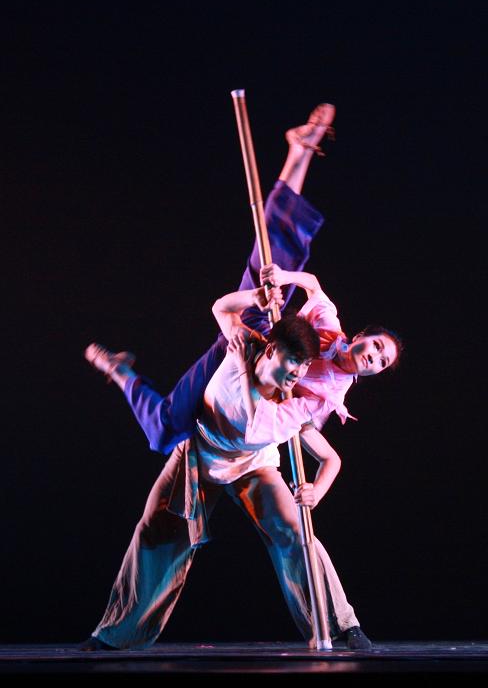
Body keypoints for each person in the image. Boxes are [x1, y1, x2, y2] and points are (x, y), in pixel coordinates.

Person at [81, 104, 401, 651]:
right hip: (210, 437)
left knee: (292, 531)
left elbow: (306, 441)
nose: (369, 357)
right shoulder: (261, 339)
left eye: (380, 362)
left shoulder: (323, 393)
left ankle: (341, 623)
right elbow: (283, 290)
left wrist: (313, 485)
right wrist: (262, 296)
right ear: (361, 336)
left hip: (253, 456)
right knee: (163, 453)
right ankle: (115, 635)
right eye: (373, 347)